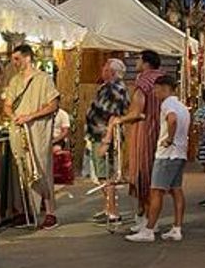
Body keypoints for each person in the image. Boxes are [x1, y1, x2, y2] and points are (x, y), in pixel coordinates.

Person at [2, 44, 60, 230]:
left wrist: (31, 116)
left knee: (41, 166)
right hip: (18, 129)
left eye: (17, 59)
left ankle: (50, 211)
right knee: (21, 167)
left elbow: (53, 105)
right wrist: (14, 117)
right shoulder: (14, 81)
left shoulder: (43, 79)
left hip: (38, 129)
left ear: (28, 58)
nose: (15, 63)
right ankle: (25, 210)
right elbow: (7, 105)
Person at [126, 74, 190, 243]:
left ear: (164, 88)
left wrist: (169, 138)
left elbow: (172, 119)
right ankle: (177, 228)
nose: (154, 93)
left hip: (167, 155)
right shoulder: (182, 106)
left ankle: (149, 229)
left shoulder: (167, 104)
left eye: (156, 89)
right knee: (176, 190)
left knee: (156, 191)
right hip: (180, 153)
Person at [110, 50, 163, 232]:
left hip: (144, 131)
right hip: (160, 131)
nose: (136, 63)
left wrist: (120, 120)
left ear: (146, 62)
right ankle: (148, 219)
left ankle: (148, 221)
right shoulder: (162, 79)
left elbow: (137, 111)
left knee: (142, 174)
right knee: (154, 177)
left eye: (139, 59)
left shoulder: (143, 82)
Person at [84, 58, 130, 224]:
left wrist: (106, 140)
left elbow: (113, 116)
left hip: (104, 136)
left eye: (105, 68)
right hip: (98, 135)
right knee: (102, 173)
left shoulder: (114, 89)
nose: (102, 70)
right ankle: (108, 208)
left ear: (112, 72)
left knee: (106, 175)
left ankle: (112, 211)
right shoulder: (108, 87)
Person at [50, 107, 74, 186]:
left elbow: (65, 131)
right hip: (45, 138)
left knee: (55, 150)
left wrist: (54, 141)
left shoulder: (63, 114)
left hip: (58, 139)